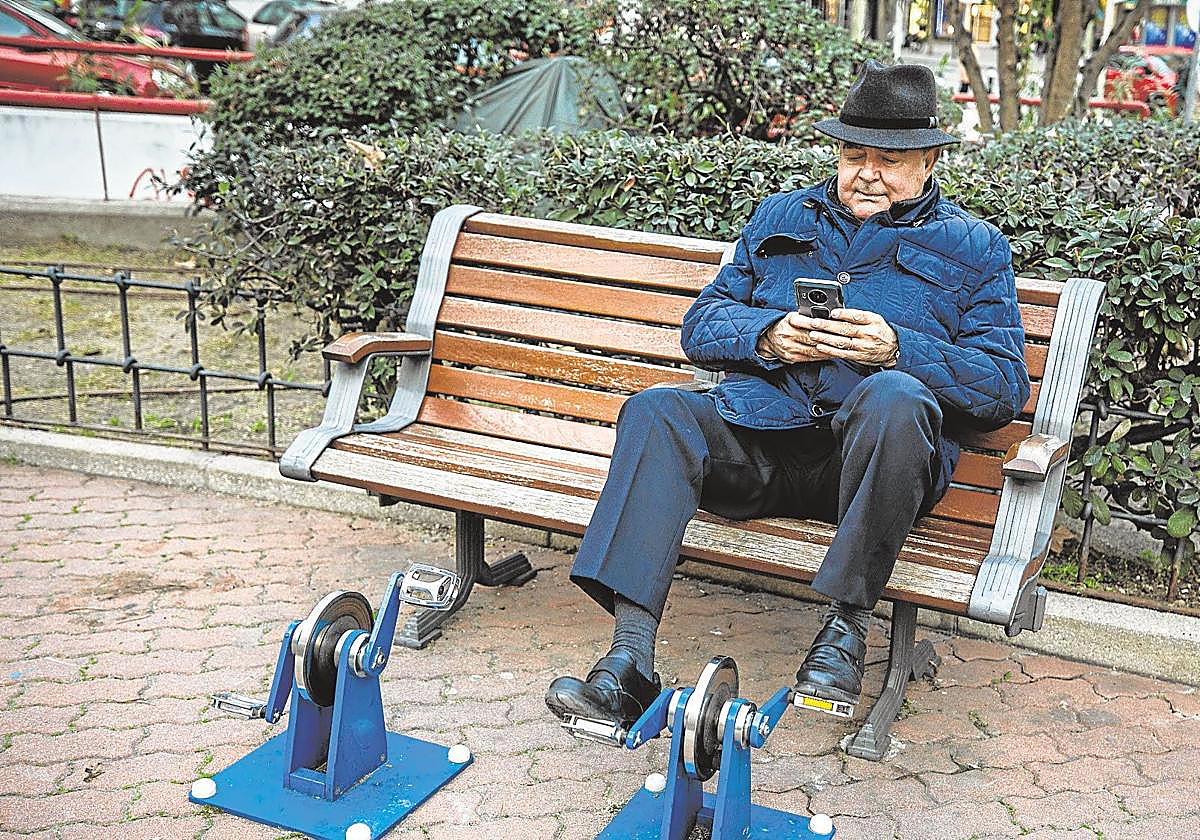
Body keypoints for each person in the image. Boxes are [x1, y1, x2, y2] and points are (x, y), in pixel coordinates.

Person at [544, 61, 1031, 734]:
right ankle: (628, 661)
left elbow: (1003, 386)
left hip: (870, 471)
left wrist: (899, 351)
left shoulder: (975, 248)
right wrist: (768, 335)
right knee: (657, 410)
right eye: (852, 154)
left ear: (930, 161)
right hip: (762, 445)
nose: (865, 172)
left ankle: (846, 629)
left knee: (895, 396)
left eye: (888, 160)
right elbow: (702, 324)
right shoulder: (782, 215)